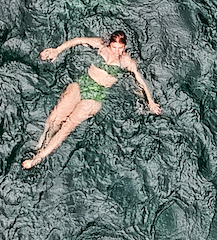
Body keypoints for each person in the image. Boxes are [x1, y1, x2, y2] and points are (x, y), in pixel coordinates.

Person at [23, 30, 160, 169]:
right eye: (114, 47)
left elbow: (140, 81)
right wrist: (57, 50)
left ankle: (39, 158)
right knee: (55, 117)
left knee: (67, 126)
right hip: (83, 84)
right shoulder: (101, 45)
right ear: (109, 44)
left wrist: (150, 102)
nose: (117, 51)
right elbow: (78, 40)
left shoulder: (126, 61)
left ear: (124, 46)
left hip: (95, 96)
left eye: (120, 48)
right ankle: (40, 144)